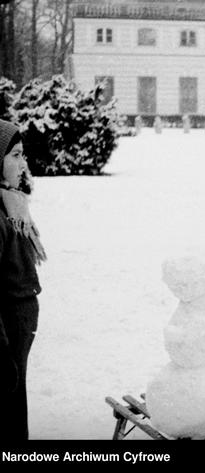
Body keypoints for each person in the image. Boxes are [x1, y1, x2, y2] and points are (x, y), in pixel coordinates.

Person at [0, 119, 46, 440]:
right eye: (15, 155)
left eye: (23, 155)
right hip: (6, 335)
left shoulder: (11, 204)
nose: (23, 163)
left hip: (19, 330)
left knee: (15, 410)